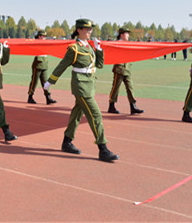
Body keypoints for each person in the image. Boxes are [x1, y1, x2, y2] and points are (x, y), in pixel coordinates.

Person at [46, 19, 119, 163]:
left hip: (89, 85)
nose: (89, 31)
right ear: (79, 30)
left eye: (91, 29)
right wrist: (50, 81)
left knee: (76, 114)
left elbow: (99, 65)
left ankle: (67, 142)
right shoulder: (74, 49)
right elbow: (62, 65)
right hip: (81, 86)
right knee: (96, 115)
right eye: (87, 29)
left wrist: (98, 50)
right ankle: (102, 149)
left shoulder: (89, 47)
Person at [108, 28, 144, 115]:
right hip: (119, 68)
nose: (128, 35)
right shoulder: (116, 43)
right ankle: (111, 106)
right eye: (126, 34)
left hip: (127, 69)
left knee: (130, 88)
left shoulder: (128, 44)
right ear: (121, 35)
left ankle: (133, 106)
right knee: (115, 88)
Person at [27, 29, 57, 105]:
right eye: (41, 36)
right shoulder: (35, 43)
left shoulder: (46, 43)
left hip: (44, 64)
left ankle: (48, 97)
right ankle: (30, 96)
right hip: (37, 64)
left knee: (46, 82)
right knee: (34, 82)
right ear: (38, 36)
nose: (43, 37)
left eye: (44, 36)